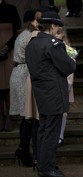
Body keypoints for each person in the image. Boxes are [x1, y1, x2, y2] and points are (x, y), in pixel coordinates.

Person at [25, 11, 76, 177]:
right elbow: (67, 67)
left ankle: (42, 164)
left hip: (41, 91)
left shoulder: (32, 42)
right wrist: (72, 60)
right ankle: (47, 168)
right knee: (51, 132)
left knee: (43, 130)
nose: (57, 30)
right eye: (57, 26)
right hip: (54, 92)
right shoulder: (53, 43)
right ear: (52, 26)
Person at [9, 9, 40, 167]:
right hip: (23, 74)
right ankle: (23, 151)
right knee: (28, 116)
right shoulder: (28, 36)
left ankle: (22, 149)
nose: (39, 23)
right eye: (37, 20)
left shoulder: (25, 34)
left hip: (20, 72)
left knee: (27, 116)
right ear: (31, 21)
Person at [0, 0, 21, 132]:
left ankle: (8, 117)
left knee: (7, 86)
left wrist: (7, 46)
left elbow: (16, 30)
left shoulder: (11, 9)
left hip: (9, 50)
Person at [55, 27, 77, 147]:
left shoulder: (68, 49)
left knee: (64, 111)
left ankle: (60, 135)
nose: (58, 36)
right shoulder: (52, 46)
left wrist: (68, 85)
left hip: (66, 81)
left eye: (60, 33)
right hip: (55, 83)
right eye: (57, 33)